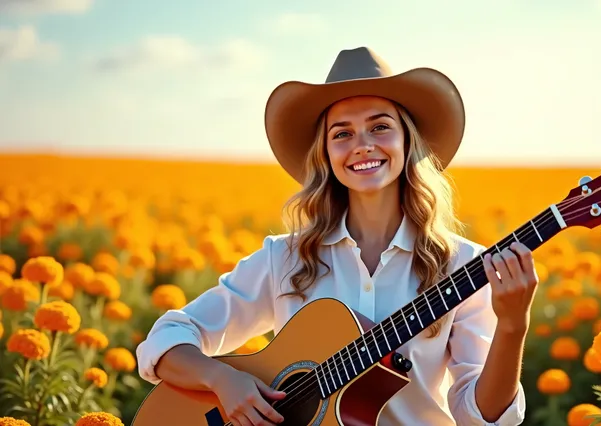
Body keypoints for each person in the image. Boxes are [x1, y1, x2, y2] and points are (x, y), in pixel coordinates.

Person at [136, 47, 538, 426]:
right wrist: (221, 380)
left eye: (380, 127)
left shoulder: (462, 265)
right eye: (342, 134)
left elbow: (482, 417)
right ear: (325, 154)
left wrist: (512, 325)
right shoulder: (285, 259)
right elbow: (167, 339)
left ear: (406, 141)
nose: (362, 146)